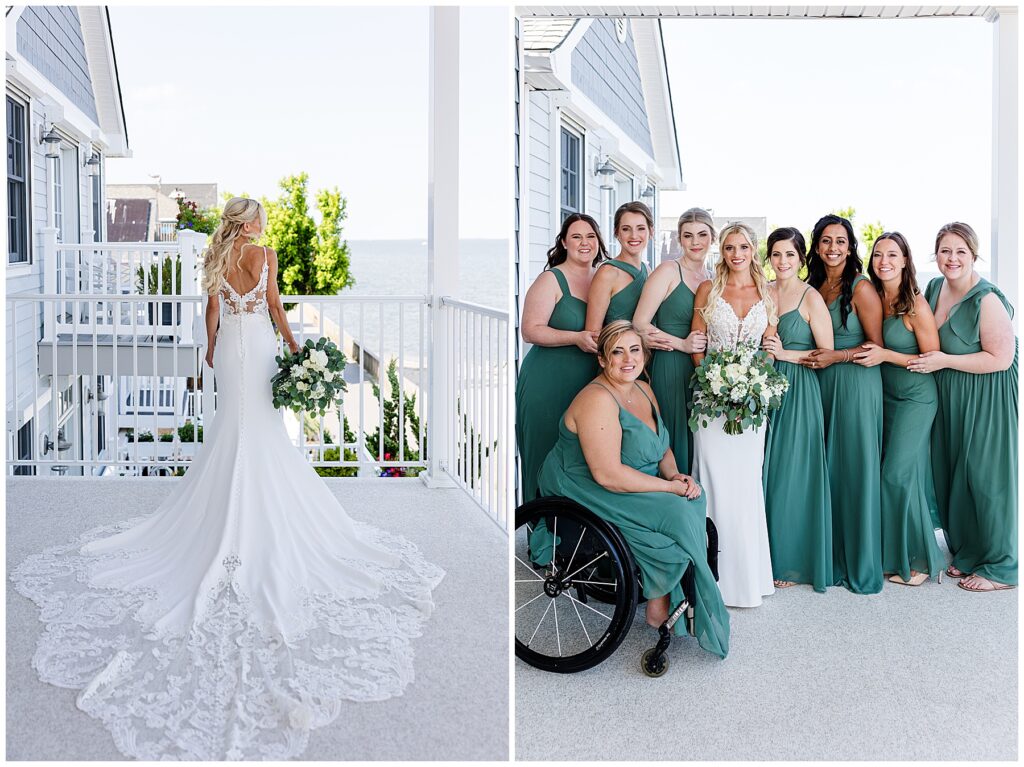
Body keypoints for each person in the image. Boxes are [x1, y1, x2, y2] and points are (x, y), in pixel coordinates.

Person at [11, 198, 445, 760]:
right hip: (260, 347)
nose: (264, 223)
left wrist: (212, 350)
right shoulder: (265, 255)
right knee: (262, 431)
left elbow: (212, 314)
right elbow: (275, 308)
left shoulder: (218, 254)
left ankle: (224, 513)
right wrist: (294, 348)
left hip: (233, 350)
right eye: (260, 215)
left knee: (232, 428)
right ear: (251, 222)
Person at [537, 320, 729, 658]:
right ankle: (665, 606)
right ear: (602, 359)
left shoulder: (642, 388)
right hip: (584, 482)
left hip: (629, 476)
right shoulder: (597, 399)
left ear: (644, 353)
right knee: (676, 511)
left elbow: (661, 446)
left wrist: (676, 476)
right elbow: (608, 475)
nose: (628, 359)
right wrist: (669, 490)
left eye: (635, 349)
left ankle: (666, 596)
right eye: (617, 352)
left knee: (693, 497)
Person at [916, 222, 1017, 592]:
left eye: (960, 251)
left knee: (986, 476)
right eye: (945, 250)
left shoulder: (986, 299)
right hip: (950, 393)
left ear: (973, 255)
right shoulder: (933, 287)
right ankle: (969, 552)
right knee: (954, 473)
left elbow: (1001, 359)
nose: (952, 258)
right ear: (936, 255)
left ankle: (1002, 568)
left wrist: (943, 361)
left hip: (985, 393)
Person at [690, 222, 777, 608]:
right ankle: (709, 578)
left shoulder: (768, 294)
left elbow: (770, 348)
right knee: (712, 481)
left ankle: (746, 580)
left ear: (753, 250)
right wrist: (711, 380)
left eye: (743, 246)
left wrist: (757, 379)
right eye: (729, 247)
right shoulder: (708, 290)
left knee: (745, 486)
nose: (736, 253)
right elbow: (697, 345)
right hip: (710, 403)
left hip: (750, 404)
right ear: (721, 251)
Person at [856, 232, 943, 586]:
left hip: (916, 398)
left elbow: (933, 358)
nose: (884, 261)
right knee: (897, 476)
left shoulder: (915, 305)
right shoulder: (874, 296)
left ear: (905, 260)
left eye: (892, 254)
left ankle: (922, 561)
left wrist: (886, 355)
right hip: (885, 398)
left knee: (897, 474)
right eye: (878, 254)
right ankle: (897, 555)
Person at [804, 214, 884, 595]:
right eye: (825, 241)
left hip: (855, 385)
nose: (833, 248)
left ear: (851, 247)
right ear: (816, 246)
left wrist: (838, 357)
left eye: (840, 241)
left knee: (854, 469)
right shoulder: (811, 286)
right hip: (820, 386)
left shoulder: (862, 288)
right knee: (827, 470)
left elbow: (876, 347)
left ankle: (860, 561)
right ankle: (828, 556)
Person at [760, 227, 835, 592]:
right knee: (767, 471)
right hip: (762, 388)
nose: (783, 261)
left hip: (799, 389)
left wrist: (783, 354)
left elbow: (826, 354)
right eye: (776, 254)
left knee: (792, 472)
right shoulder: (765, 292)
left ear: (801, 259)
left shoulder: (810, 297)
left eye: (790, 254)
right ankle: (766, 553)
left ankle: (791, 560)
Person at [516, 213, 607, 501]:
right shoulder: (551, 279)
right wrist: (575, 337)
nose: (584, 242)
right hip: (548, 384)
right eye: (577, 236)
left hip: (589, 385)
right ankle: (540, 534)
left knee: (581, 459)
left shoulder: (604, 277)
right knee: (544, 454)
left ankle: (575, 536)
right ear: (564, 242)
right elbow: (530, 331)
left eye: (590, 236)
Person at [633, 207, 712, 473]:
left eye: (702, 234)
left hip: (702, 369)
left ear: (712, 237)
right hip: (671, 366)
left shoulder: (712, 278)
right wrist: (682, 345)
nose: (695, 242)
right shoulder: (668, 270)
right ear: (680, 239)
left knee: (700, 440)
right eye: (688, 236)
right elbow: (639, 324)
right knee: (674, 438)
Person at [584, 201, 653, 331]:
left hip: (646, 350)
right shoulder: (608, 273)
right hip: (615, 349)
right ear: (616, 233)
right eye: (626, 229)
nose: (634, 235)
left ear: (651, 231)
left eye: (641, 228)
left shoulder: (647, 271)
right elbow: (592, 333)